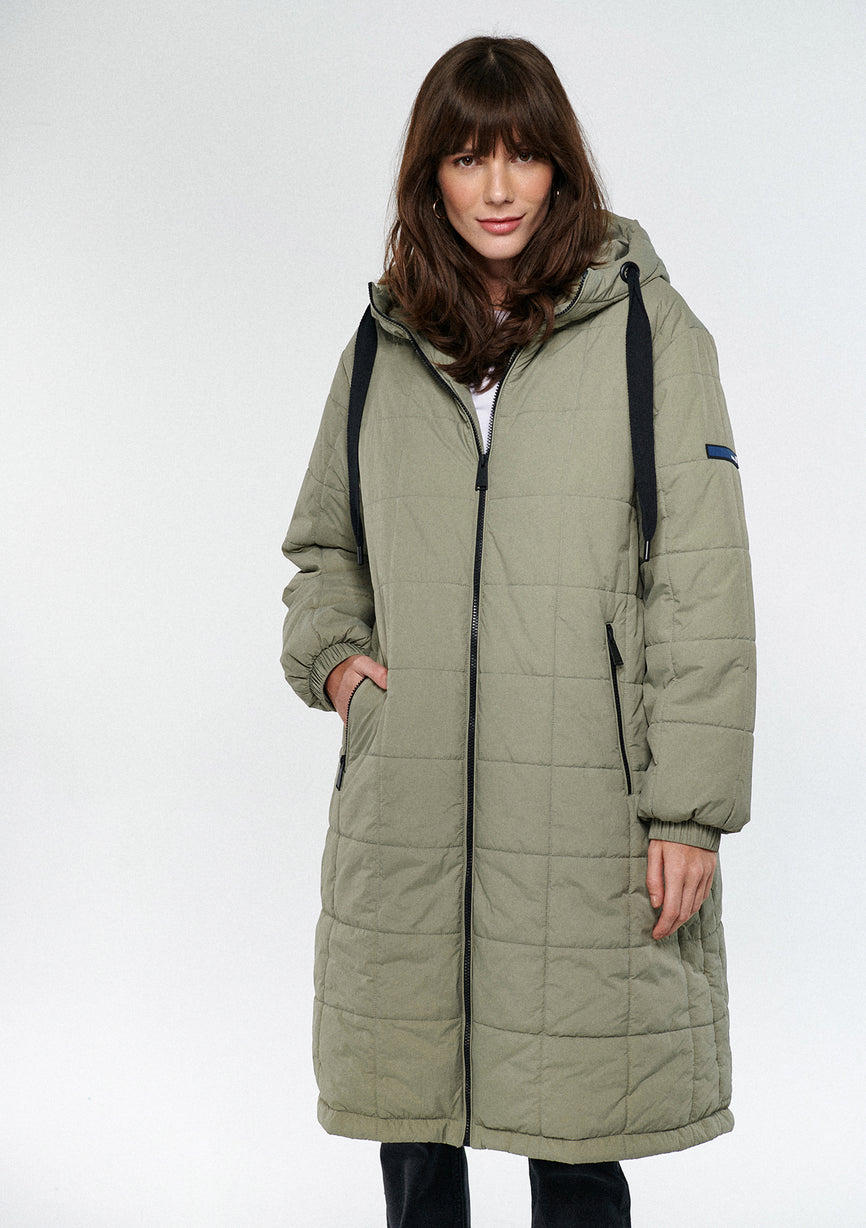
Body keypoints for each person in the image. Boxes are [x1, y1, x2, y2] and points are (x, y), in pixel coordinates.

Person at [281, 35, 755, 1227]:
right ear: (428, 177)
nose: (496, 188)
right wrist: (338, 668)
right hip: (409, 806)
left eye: (521, 156)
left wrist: (686, 811)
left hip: (582, 805)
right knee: (411, 1126)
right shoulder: (383, 345)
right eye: (464, 158)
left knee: (577, 1130)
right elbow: (323, 547)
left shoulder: (650, 333)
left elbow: (698, 581)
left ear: (559, 167)